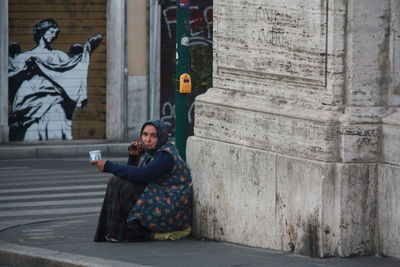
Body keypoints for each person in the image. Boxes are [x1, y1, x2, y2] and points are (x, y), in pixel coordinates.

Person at [90, 120, 193, 242]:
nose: (148, 140)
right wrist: (134, 156)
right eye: (145, 134)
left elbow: (143, 176)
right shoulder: (154, 153)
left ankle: (129, 232)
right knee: (117, 181)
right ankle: (114, 232)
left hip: (172, 207)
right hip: (159, 196)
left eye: (154, 136)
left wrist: (109, 166)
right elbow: (133, 177)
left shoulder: (166, 155)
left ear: (162, 137)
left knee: (121, 184)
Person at [8, 18, 102, 141]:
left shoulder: (59, 56)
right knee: (31, 135)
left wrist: (87, 51)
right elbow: (10, 78)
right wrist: (26, 69)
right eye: (51, 32)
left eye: (55, 33)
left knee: (55, 131)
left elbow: (74, 68)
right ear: (42, 31)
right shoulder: (24, 57)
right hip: (29, 104)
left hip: (53, 102)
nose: (54, 36)